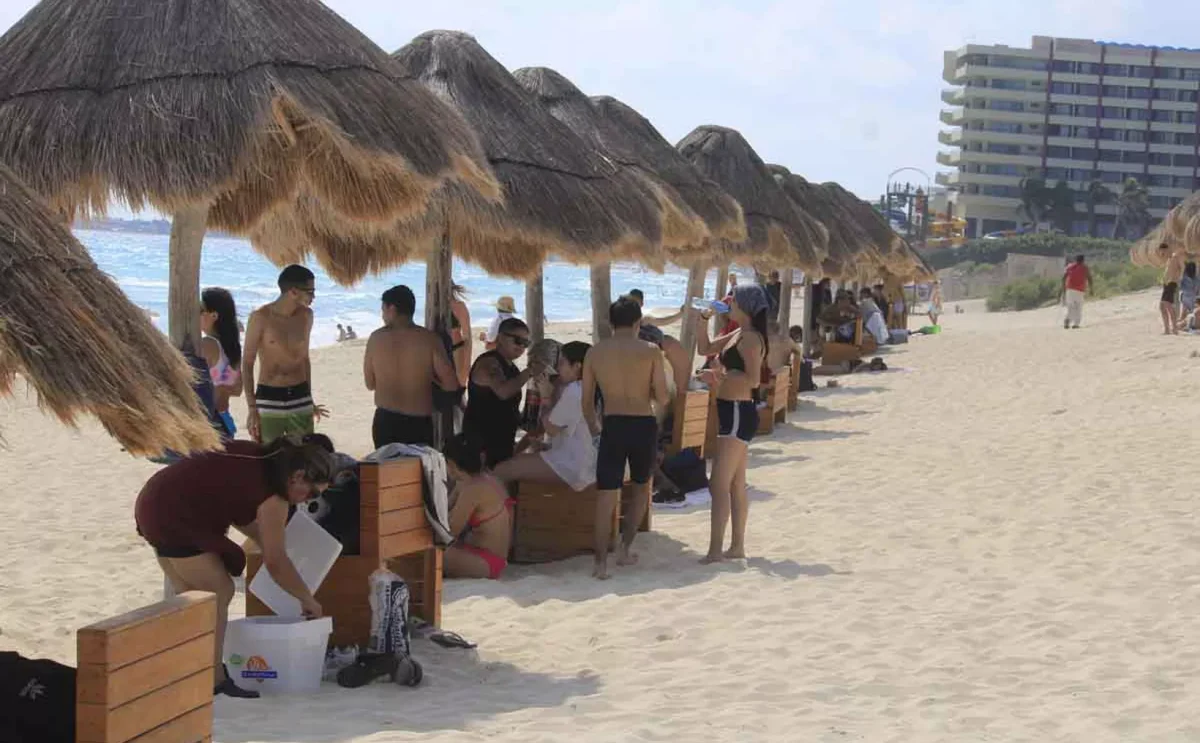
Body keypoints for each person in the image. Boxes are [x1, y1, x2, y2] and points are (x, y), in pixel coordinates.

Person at [134, 435, 335, 698]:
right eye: (313, 493)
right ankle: (214, 680)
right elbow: (275, 561)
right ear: (297, 476)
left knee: (189, 599)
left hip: (154, 499)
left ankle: (185, 671)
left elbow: (237, 507)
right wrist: (307, 599)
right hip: (174, 513)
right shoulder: (276, 496)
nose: (308, 500)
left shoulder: (262, 460)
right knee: (219, 591)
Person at [582, 297, 670, 579]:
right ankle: (624, 549)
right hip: (642, 423)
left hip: (612, 423)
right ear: (637, 322)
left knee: (606, 495)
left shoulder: (595, 353)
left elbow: (586, 404)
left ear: (610, 322)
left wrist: (596, 431)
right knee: (642, 488)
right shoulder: (650, 350)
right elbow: (663, 396)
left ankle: (599, 564)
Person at [694, 284, 767, 564]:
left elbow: (754, 380)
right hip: (731, 409)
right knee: (736, 483)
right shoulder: (738, 332)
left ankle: (715, 550)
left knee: (718, 483)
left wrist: (719, 379)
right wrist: (703, 319)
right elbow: (704, 348)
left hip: (738, 410)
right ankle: (736, 547)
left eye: (733, 300)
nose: (729, 303)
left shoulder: (750, 339)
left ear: (744, 305)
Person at [363, 285, 459, 449]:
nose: (383, 315)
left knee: (385, 473)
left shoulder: (375, 338)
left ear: (391, 309)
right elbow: (451, 384)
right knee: (417, 474)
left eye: (383, 310)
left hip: (385, 420)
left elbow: (370, 384)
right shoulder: (429, 339)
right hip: (418, 423)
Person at [495, 341, 595, 491]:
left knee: (501, 471)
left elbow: (549, 428)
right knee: (515, 464)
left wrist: (546, 397)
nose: (532, 368)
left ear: (576, 366)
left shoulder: (572, 390)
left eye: (563, 363)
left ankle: (499, 512)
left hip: (575, 465)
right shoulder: (590, 385)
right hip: (583, 458)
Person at [243, 265, 328, 443]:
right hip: (269, 397)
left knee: (303, 456)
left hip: (300, 394)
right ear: (293, 291)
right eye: (310, 292)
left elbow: (304, 359)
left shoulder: (306, 316)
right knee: (269, 457)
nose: (313, 297)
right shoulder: (261, 318)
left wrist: (309, 398)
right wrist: (252, 407)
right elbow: (247, 363)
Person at [465, 317, 545, 468]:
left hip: (502, 440)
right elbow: (503, 392)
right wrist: (529, 371)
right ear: (501, 337)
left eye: (525, 343)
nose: (521, 347)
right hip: (482, 441)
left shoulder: (512, 369)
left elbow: (506, 405)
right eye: (517, 340)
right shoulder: (488, 363)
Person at [443, 434, 514, 579]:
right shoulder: (488, 479)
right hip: (489, 558)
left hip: (485, 562)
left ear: (452, 465)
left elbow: (450, 532)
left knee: (429, 556)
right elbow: (446, 509)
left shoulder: (473, 489)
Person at [626, 289, 692, 395]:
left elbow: (664, 321)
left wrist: (681, 313)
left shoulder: (645, 318)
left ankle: (681, 391)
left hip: (660, 346)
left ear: (641, 304)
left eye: (636, 302)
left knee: (682, 365)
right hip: (649, 349)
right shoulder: (626, 320)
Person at [199, 288, 243, 439]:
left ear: (214, 315)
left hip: (208, 421)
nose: (195, 314)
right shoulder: (232, 348)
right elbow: (237, 389)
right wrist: (221, 388)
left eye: (200, 309)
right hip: (224, 420)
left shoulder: (207, 345)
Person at [449, 283, 473, 389]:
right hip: (437, 349)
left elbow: (467, 336)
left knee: (458, 386)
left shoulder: (459, 306)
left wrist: (466, 364)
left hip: (456, 349)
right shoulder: (434, 305)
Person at [1060, 254, 1092, 330]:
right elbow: (1089, 278)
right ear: (1083, 260)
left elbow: (1064, 278)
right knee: (1078, 307)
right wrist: (1091, 289)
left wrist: (1063, 289)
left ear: (1076, 259)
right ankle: (1076, 324)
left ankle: (1067, 320)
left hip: (1070, 289)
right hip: (1080, 290)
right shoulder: (1085, 268)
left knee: (1070, 307)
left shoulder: (1070, 266)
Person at [1160, 244, 1185, 335]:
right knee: (1162, 307)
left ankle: (1174, 329)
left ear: (1167, 249)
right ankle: (1167, 329)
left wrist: (1179, 278)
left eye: (1163, 251)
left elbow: (1182, 267)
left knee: (1168, 305)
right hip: (1166, 284)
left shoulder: (1175, 257)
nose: (1162, 253)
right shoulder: (1169, 259)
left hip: (1172, 283)